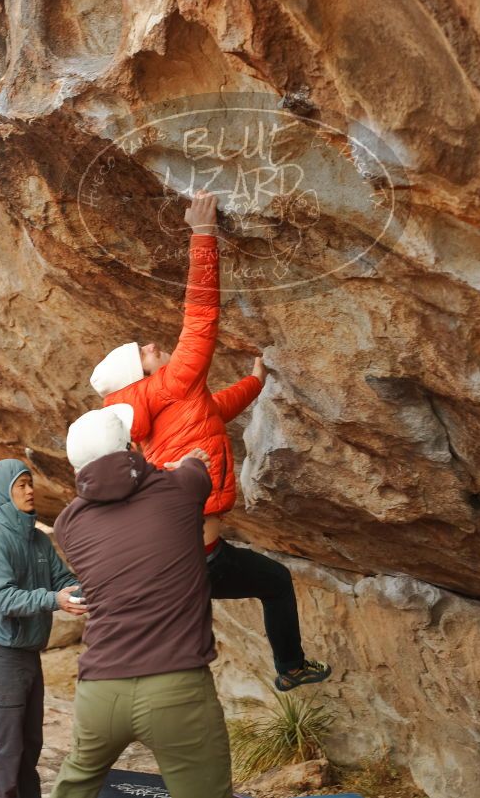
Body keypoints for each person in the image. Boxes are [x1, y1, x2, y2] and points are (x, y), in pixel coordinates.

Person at [90, 191, 331, 691]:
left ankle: (157, 682)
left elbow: (213, 414)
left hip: (179, 557)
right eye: (145, 350)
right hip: (201, 558)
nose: (153, 345)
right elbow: (200, 317)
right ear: (139, 371)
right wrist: (203, 234)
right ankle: (288, 667)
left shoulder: (159, 409)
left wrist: (256, 383)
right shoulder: (171, 382)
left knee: (209, 622)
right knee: (275, 583)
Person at [50, 404, 233, 798]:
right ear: (131, 446)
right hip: (176, 687)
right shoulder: (184, 486)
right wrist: (180, 462)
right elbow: (196, 469)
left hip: (100, 691)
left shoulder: (68, 525)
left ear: (76, 469)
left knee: (76, 784)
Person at [0, 458, 86, 798]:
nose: (29, 490)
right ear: (1, 494)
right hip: (0, 659)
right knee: (6, 753)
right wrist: (54, 600)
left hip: (28, 657)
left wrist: (91, 591)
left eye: (29, 483)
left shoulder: (37, 540)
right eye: (20, 485)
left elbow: (64, 580)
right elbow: (3, 598)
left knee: (30, 746)